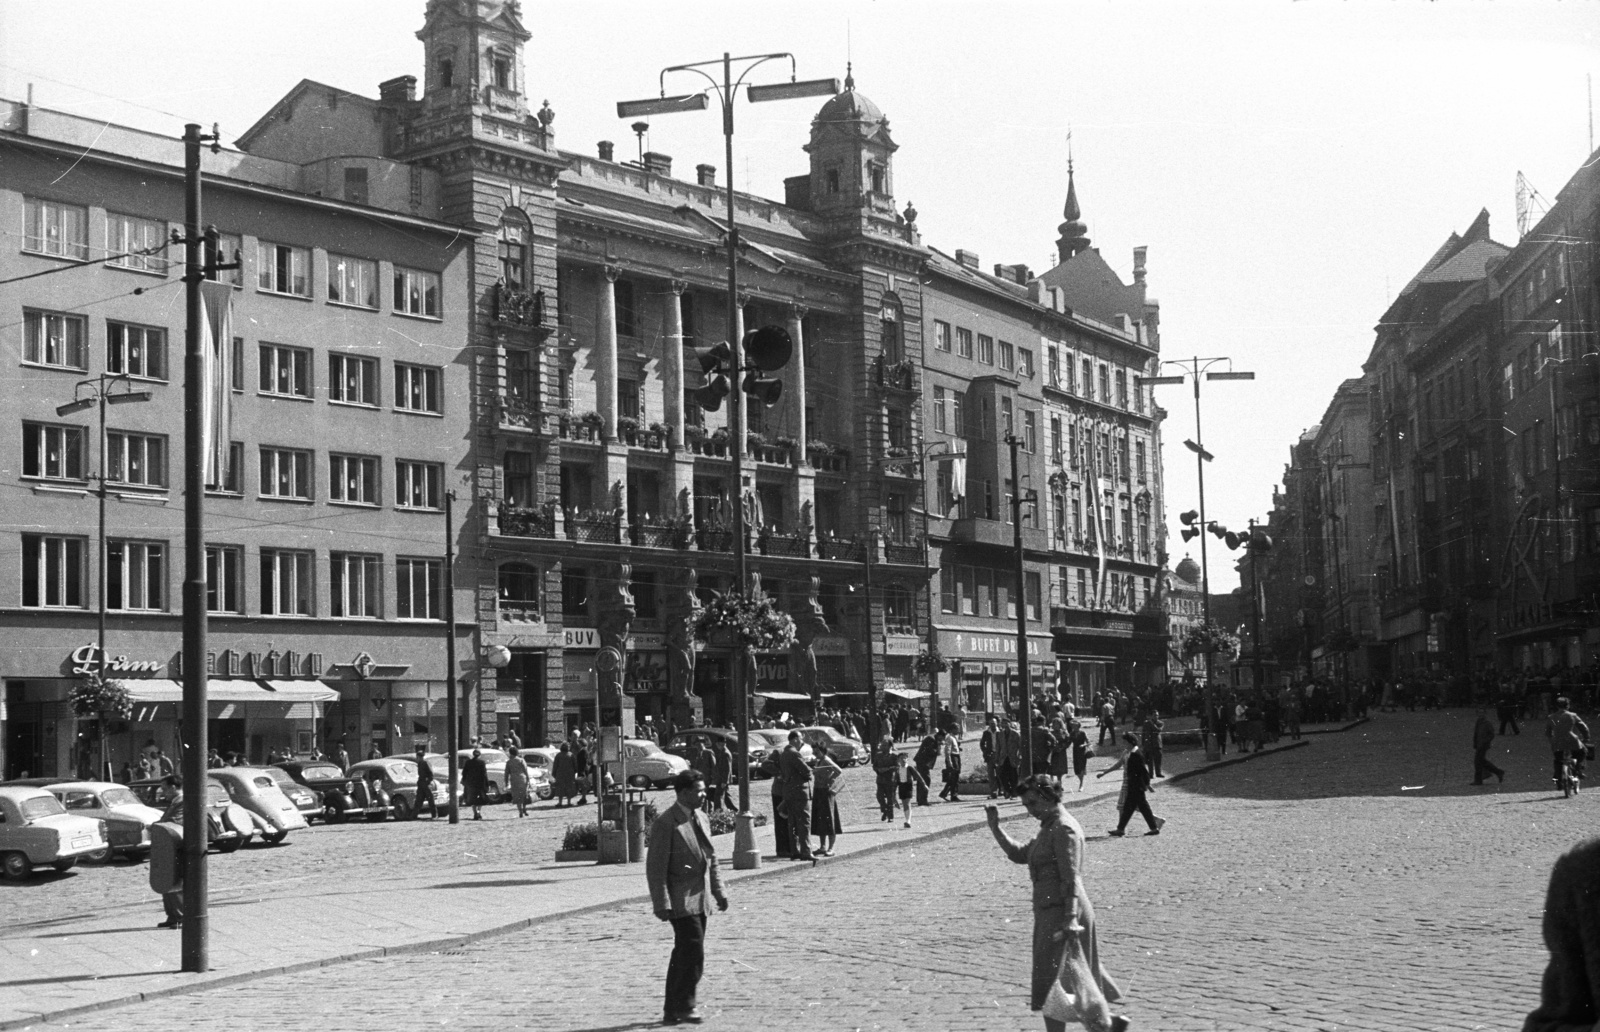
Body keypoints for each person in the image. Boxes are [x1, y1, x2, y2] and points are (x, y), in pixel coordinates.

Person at [985, 775, 1127, 1032]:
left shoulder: (1064, 828)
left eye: (1032, 803)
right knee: (1069, 984)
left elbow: (1071, 877)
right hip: (1051, 913)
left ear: (1049, 797)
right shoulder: (1048, 827)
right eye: (1026, 805)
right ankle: (1108, 1025)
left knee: (1056, 987)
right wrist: (995, 828)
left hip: (1063, 913)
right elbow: (1021, 854)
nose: (1029, 811)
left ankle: (1107, 1025)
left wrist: (1071, 918)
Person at [645, 772, 729, 1026]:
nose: (704, 795)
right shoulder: (667, 822)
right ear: (682, 793)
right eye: (699, 791)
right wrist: (662, 903)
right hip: (679, 899)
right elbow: (656, 867)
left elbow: (710, 858)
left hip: (700, 898)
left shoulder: (701, 817)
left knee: (685, 953)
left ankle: (672, 1010)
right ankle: (686, 1005)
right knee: (693, 950)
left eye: (704, 790)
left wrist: (719, 891)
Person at [1097, 732, 1164, 838]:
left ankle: (1151, 828)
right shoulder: (1130, 753)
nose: (1123, 744)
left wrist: (1147, 784)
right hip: (1133, 785)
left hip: (1136, 786)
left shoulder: (1136, 754)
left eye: (1125, 742)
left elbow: (1143, 771)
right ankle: (1122, 829)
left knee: (1139, 807)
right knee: (1131, 807)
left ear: (1130, 742)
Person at [778, 731, 815, 861]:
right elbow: (806, 771)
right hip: (799, 792)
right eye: (800, 739)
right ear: (794, 739)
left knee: (792, 822)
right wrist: (810, 772)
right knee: (804, 822)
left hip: (789, 791)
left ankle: (795, 851)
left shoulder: (784, 753)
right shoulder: (794, 753)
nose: (801, 742)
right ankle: (806, 851)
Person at [1546, 696, 1590, 786]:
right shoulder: (1572, 715)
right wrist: (1586, 738)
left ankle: (1557, 778)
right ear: (1568, 706)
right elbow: (1583, 727)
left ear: (1557, 706)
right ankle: (1578, 769)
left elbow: (1548, 732)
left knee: (1558, 760)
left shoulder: (1551, 717)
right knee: (1583, 752)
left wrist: (1552, 740)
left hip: (1557, 743)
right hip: (1572, 741)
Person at [810, 746, 843, 857]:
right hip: (818, 791)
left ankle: (831, 848)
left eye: (816, 751)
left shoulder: (826, 760)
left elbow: (838, 770)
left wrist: (830, 779)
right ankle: (823, 847)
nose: (814, 753)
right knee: (820, 819)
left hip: (826, 792)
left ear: (822, 751)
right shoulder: (819, 761)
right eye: (813, 750)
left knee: (829, 819)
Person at [892, 752, 928, 828]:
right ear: (898, 760)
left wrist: (924, 784)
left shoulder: (910, 768)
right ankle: (907, 819)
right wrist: (893, 792)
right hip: (901, 786)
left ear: (907, 759)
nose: (903, 760)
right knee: (904, 803)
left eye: (905, 758)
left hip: (908, 786)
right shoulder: (897, 770)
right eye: (901, 758)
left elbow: (918, 776)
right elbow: (895, 781)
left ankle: (908, 821)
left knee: (907, 802)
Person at [1472, 708, 1506, 786]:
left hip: (1483, 745)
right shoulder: (1478, 722)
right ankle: (1498, 772)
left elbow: (1491, 734)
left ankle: (1479, 780)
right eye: (1479, 713)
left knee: (1478, 762)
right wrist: (1475, 743)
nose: (1481, 714)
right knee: (1481, 761)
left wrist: (1485, 741)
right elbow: (1476, 733)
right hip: (1479, 744)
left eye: (1482, 713)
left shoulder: (1487, 723)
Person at [871, 734, 898, 822]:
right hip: (880, 779)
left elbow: (897, 767)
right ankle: (885, 810)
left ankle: (890, 816)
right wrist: (878, 770)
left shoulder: (894, 756)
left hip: (890, 780)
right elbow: (874, 766)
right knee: (880, 797)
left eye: (885, 745)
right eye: (882, 745)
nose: (882, 746)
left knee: (890, 798)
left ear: (890, 746)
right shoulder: (878, 755)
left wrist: (888, 769)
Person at [913, 730, 941, 806]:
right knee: (926, 780)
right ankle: (923, 800)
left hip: (923, 762)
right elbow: (931, 751)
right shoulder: (931, 739)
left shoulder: (933, 739)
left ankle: (920, 799)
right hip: (923, 762)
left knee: (921, 780)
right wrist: (938, 746)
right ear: (940, 735)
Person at [504, 746, 532, 817]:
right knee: (524, 795)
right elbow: (526, 770)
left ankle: (520, 811)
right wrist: (528, 780)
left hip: (514, 780)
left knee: (517, 796)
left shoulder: (509, 762)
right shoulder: (521, 760)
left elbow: (506, 773)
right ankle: (524, 809)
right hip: (522, 779)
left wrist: (506, 783)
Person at [707, 738, 733, 813]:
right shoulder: (723, 752)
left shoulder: (725, 753)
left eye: (717, 744)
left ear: (720, 744)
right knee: (726, 798)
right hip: (722, 779)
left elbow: (727, 769)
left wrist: (724, 781)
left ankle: (718, 813)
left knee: (719, 797)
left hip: (722, 780)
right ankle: (733, 810)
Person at [462, 748, 489, 820]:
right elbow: (484, 774)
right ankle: (478, 812)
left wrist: (464, 781)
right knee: (480, 799)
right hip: (479, 783)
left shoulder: (468, 762)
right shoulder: (482, 762)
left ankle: (475, 813)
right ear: (479, 755)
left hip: (471, 783)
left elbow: (464, 773)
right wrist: (486, 784)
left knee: (472, 799)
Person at [412, 746, 438, 820]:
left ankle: (434, 815)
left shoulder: (426, 763)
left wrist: (428, 781)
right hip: (421, 784)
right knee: (418, 800)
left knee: (431, 800)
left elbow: (431, 774)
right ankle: (414, 815)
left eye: (418, 757)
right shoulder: (420, 764)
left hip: (426, 785)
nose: (417, 758)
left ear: (420, 757)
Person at [939, 727, 964, 802]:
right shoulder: (949, 738)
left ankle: (944, 793)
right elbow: (947, 750)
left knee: (954, 777)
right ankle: (953, 796)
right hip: (953, 758)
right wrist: (949, 762)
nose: (958, 730)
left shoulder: (953, 737)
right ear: (952, 729)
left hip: (956, 756)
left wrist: (958, 748)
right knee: (954, 777)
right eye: (956, 729)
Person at [551, 742, 578, 807]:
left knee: (560, 788)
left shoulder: (558, 755)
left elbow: (555, 765)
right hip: (569, 774)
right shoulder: (571, 755)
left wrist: (554, 773)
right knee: (569, 788)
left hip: (560, 774)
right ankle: (569, 802)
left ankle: (560, 802)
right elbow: (575, 765)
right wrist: (575, 772)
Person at [1068, 720, 1092, 792]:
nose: (1074, 727)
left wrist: (1083, 745)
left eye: (1075, 726)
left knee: (1081, 767)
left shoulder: (1082, 733)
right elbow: (1069, 742)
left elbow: (1089, 742)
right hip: (1075, 751)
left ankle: (1081, 784)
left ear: (1078, 726)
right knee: (1076, 769)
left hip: (1082, 752)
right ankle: (1081, 780)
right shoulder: (1072, 733)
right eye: (1073, 726)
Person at [1141, 711, 1165, 778]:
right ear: (1151, 716)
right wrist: (1143, 743)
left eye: (1157, 715)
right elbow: (1143, 733)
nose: (1156, 717)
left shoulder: (1160, 723)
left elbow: (1157, 731)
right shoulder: (1146, 723)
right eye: (1154, 715)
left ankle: (1158, 773)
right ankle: (1150, 774)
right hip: (1149, 744)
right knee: (1149, 761)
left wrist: (1152, 723)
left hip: (1157, 744)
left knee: (1158, 760)